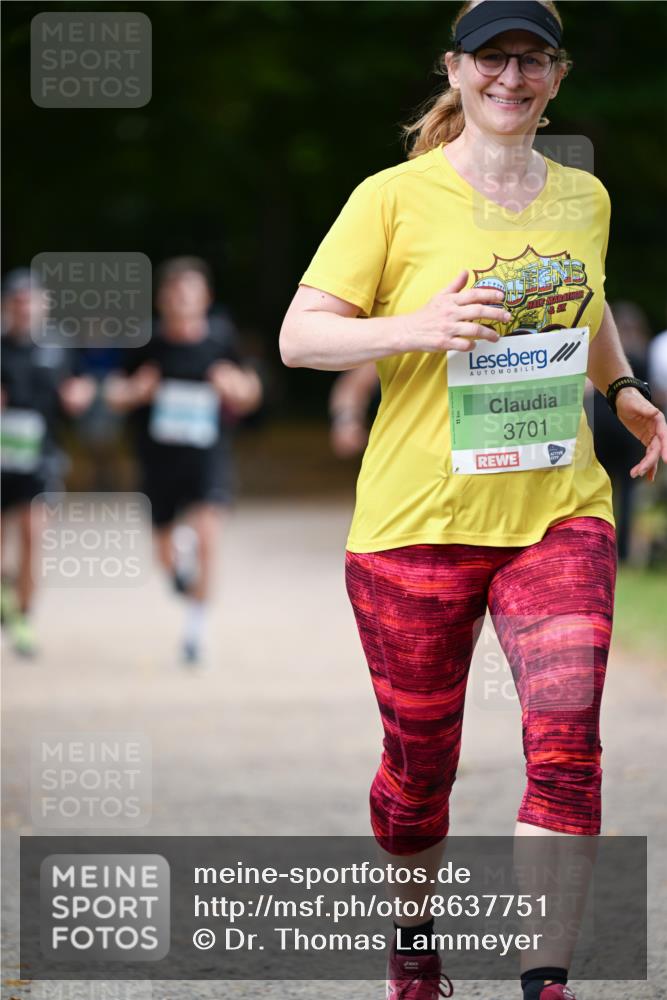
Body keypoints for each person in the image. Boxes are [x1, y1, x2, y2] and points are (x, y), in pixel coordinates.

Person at [279, 2, 667, 998]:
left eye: (531, 59)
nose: (510, 76)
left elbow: (584, 310)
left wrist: (623, 390)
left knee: (567, 744)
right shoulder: (390, 198)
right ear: (454, 71)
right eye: (491, 58)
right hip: (415, 524)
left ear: (556, 76)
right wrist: (419, 325)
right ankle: (413, 948)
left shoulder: (583, 196)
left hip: (557, 511)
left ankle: (545, 982)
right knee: (418, 773)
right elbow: (299, 336)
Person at [105, 257, 262, 667]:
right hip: (158, 462)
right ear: (162, 299)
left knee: (208, 536)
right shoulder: (147, 344)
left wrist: (236, 387)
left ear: (205, 298)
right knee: (165, 555)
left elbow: (252, 390)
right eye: (174, 293)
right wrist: (136, 391)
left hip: (207, 458)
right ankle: (179, 570)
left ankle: (196, 628)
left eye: (190, 292)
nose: (182, 300)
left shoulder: (221, 342)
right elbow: (113, 393)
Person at [1, 268, 95, 656]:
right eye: (17, 302)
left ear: (44, 305)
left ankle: (24, 619)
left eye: (31, 301)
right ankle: (5, 595)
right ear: (7, 307)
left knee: (33, 534)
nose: (25, 308)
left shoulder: (60, 346)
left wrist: (80, 396)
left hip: (41, 456)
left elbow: (82, 384)